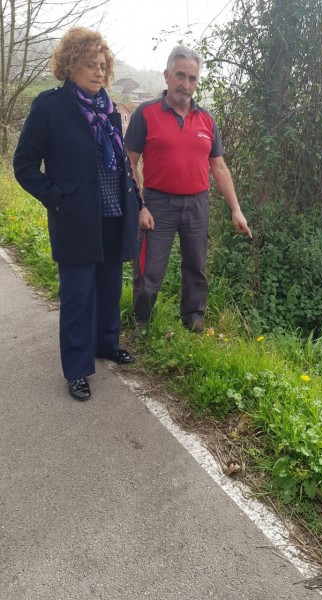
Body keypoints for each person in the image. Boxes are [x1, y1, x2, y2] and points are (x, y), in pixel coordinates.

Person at [13, 28, 141, 401]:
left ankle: (106, 343)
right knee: (78, 294)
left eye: (103, 65)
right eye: (90, 64)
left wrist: (136, 199)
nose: (99, 72)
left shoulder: (109, 108)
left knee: (109, 287)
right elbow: (24, 165)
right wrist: (58, 199)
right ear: (70, 65)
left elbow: (119, 162)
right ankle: (76, 368)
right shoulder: (50, 107)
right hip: (75, 217)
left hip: (113, 212)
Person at [124, 45, 252, 335]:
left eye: (192, 78)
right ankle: (142, 322)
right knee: (149, 266)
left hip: (197, 204)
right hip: (157, 202)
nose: (186, 84)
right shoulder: (146, 114)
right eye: (180, 75)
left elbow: (219, 167)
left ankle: (193, 320)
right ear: (167, 75)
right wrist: (139, 204)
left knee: (196, 265)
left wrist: (236, 209)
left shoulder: (207, 120)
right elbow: (129, 162)